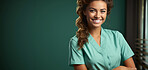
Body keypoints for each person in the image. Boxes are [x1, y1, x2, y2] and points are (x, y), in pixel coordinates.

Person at [68, 0, 137, 70]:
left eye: (102, 11)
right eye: (92, 10)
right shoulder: (76, 42)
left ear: (107, 12)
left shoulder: (117, 36)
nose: (97, 15)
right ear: (84, 11)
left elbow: (133, 68)